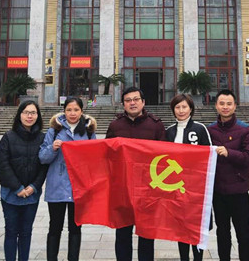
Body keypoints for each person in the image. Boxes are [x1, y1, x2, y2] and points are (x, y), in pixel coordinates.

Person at [106, 86, 166, 261]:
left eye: (136, 99)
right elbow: (107, 154)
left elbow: (165, 156)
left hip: (148, 189)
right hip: (123, 189)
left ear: (143, 102)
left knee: (146, 234)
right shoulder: (115, 125)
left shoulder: (155, 125)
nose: (132, 103)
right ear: (123, 104)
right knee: (122, 234)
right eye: (128, 100)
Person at [39, 97, 97, 261]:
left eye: (76, 110)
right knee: (55, 227)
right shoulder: (54, 131)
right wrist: (53, 148)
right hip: (57, 186)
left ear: (82, 111)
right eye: (69, 110)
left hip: (79, 187)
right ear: (64, 111)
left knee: (75, 228)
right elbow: (43, 158)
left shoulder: (88, 132)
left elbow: (94, 159)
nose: (72, 113)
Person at [207, 89, 249, 261]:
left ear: (235, 106)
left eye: (229, 104)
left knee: (243, 232)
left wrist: (229, 153)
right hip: (218, 192)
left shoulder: (245, 130)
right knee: (222, 232)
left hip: (239, 192)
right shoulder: (209, 130)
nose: (225, 107)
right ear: (216, 106)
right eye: (221, 103)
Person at [0, 101, 48, 261]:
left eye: (33, 112)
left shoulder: (43, 138)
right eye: (26, 112)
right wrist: (18, 188)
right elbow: (3, 166)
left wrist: (34, 186)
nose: (29, 116)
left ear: (38, 116)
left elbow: (44, 167)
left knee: (26, 232)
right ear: (19, 115)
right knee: (11, 231)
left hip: (32, 195)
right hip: (10, 194)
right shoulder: (8, 137)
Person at [165, 94, 212, 261]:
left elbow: (209, 154)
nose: (181, 110)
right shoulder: (169, 131)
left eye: (184, 107)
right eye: (177, 107)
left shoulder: (200, 129)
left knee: (196, 226)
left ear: (191, 109)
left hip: (196, 188)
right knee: (181, 227)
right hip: (176, 188)